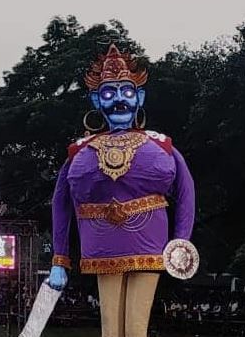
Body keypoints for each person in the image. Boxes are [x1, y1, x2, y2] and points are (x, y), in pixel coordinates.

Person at [48, 44, 196, 337]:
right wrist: (59, 259)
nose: (119, 100)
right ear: (96, 100)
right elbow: (60, 204)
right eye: (108, 93)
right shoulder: (80, 151)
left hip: (148, 242)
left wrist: (181, 242)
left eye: (126, 92)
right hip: (102, 245)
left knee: (136, 326)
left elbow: (186, 192)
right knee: (110, 328)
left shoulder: (162, 145)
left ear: (139, 96)